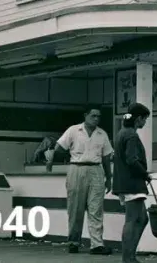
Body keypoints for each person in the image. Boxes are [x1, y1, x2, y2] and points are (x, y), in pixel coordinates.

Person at [47, 106, 113, 255]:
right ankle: (73, 241)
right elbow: (60, 146)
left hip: (96, 169)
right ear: (85, 115)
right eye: (93, 116)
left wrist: (109, 178)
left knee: (96, 208)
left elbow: (106, 157)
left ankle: (96, 244)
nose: (96, 119)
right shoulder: (73, 130)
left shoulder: (102, 134)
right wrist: (51, 160)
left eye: (98, 116)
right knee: (75, 207)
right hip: (76, 168)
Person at [113, 103, 152, 263]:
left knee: (142, 219)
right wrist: (145, 174)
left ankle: (130, 256)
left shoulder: (122, 133)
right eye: (144, 119)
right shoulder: (131, 136)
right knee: (132, 219)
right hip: (133, 183)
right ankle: (127, 258)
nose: (145, 122)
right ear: (138, 119)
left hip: (125, 182)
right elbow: (132, 160)